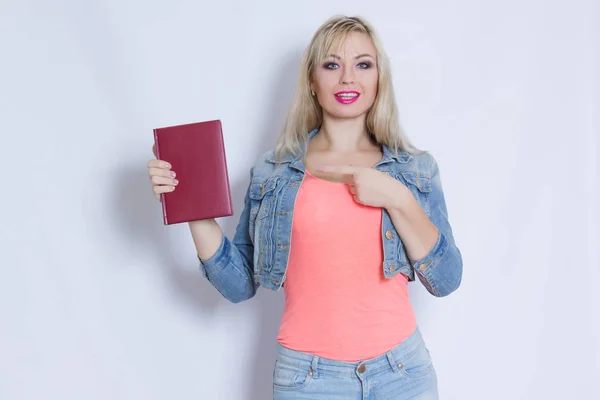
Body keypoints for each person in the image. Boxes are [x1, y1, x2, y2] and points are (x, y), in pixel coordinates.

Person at [147, 14, 462, 400]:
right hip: (308, 381)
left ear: (380, 79)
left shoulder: (414, 169)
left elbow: (446, 280)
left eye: (363, 64)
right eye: (332, 65)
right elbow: (239, 284)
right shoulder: (272, 172)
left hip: (402, 374)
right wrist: (190, 204)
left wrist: (397, 198)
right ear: (313, 82)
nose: (348, 78)